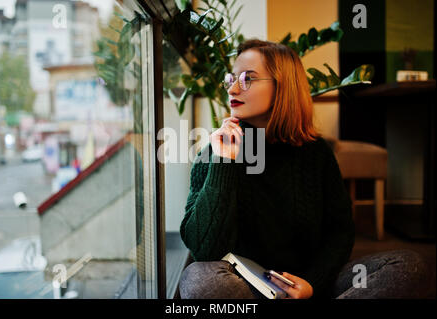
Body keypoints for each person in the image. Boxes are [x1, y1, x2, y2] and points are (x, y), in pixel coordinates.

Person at [178, 39, 429, 299]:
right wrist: (225, 162)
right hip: (246, 288)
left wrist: (311, 283)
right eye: (232, 78)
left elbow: (340, 232)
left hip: (310, 284)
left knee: (408, 266)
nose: (233, 87)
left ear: (282, 87)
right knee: (199, 279)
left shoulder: (316, 153)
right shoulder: (215, 151)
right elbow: (204, 250)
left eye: (248, 78)